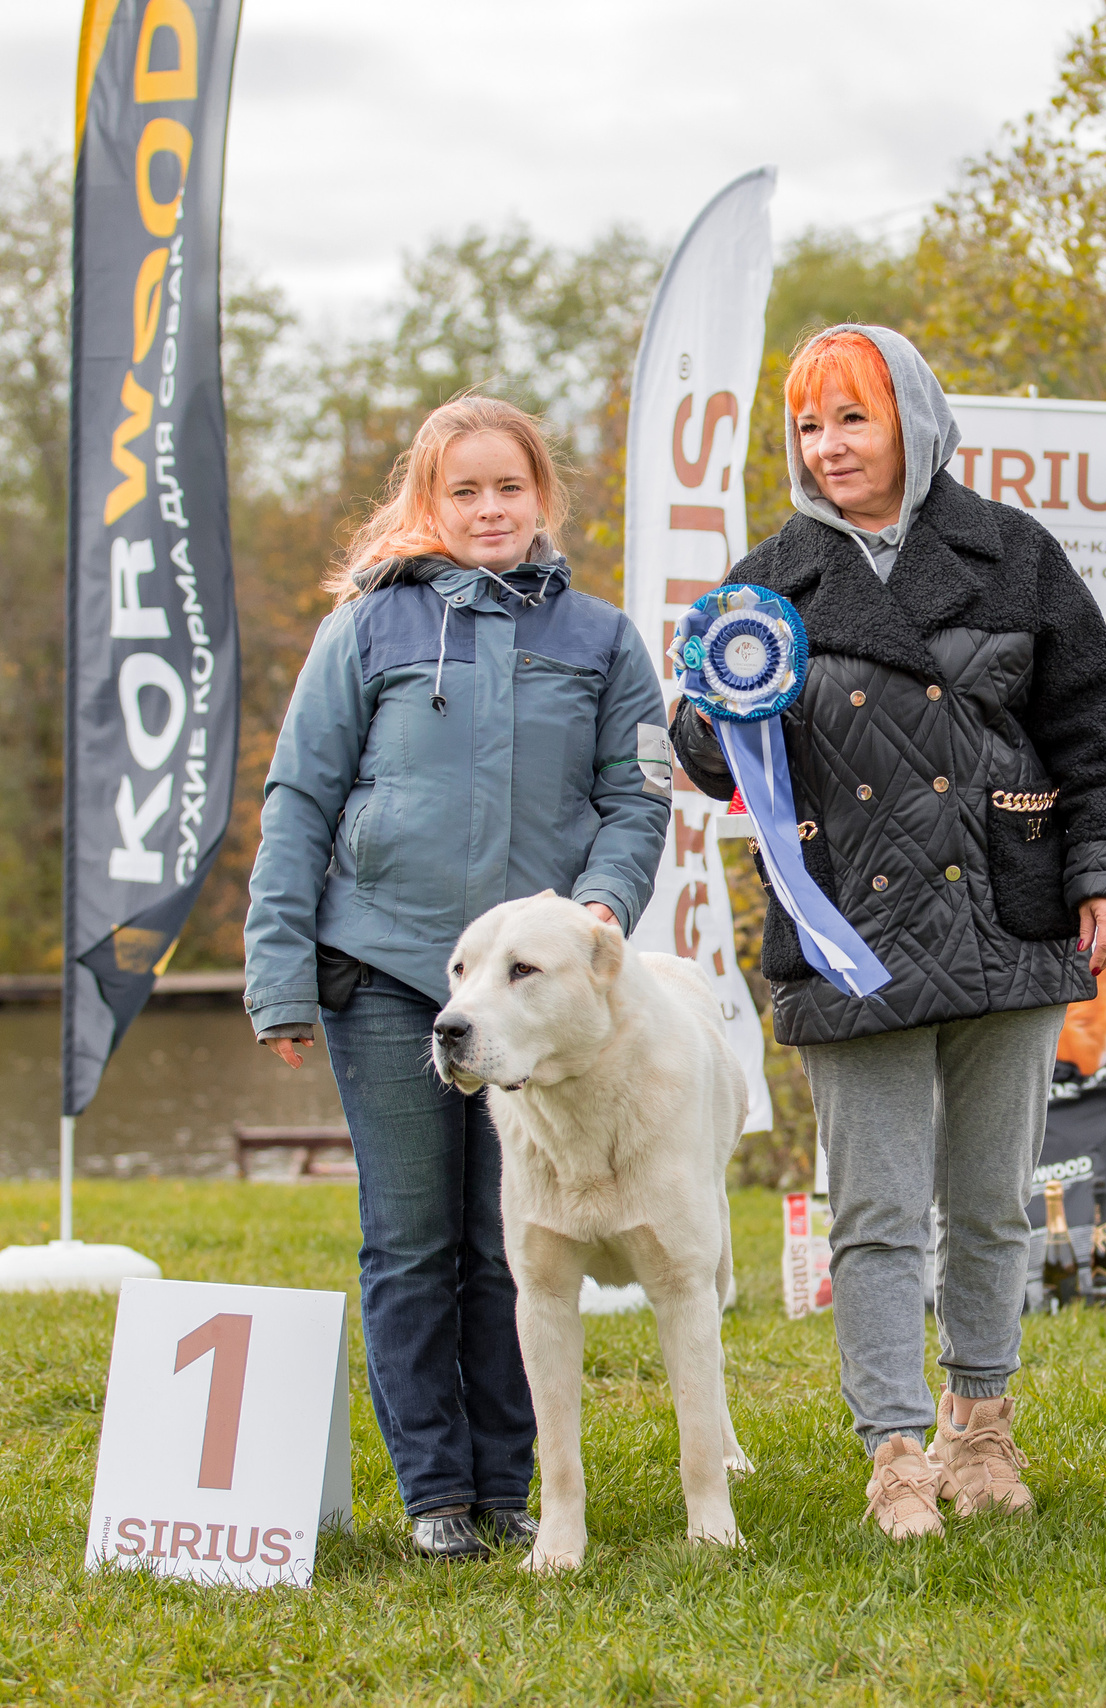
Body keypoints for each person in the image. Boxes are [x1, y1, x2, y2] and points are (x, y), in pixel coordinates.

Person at [669, 325, 1106, 1542]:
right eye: (811, 426)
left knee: (989, 1201)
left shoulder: (1016, 554)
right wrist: (707, 723)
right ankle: (892, 1449)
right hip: (850, 933)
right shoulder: (768, 575)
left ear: (914, 423)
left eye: (854, 420)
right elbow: (722, 755)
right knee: (873, 1210)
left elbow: (1094, 727)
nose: (829, 448)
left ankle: (979, 1425)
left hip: (1008, 914)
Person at [242, 395, 671, 1559]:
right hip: (387, 973)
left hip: (534, 998)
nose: (490, 510)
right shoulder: (366, 631)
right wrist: (280, 971)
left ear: (543, 498)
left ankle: (508, 1487)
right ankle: (437, 1495)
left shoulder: (603, 639)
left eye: (510, 488)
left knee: (510, 1240)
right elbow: (299, 801)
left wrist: (600, 911)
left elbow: (638, 800)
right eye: (464, 490)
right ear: (428, 504)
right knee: (414, 1237)